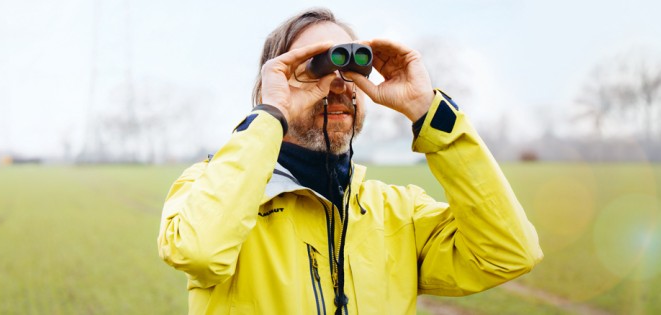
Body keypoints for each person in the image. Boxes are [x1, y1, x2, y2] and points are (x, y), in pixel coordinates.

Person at [157, 7, 543, 315]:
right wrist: (271, 114)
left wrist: (427, 110)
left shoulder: (396, 214)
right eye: (316, 66)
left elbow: (508, 252)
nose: (338, 83)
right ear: (272, 83)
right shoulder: (209, 189)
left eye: (353, 65)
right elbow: (199, 251)